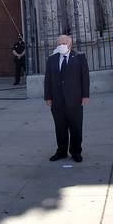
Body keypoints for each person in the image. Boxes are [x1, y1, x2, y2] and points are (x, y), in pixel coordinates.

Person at [44, 34, 90, 162]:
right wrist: (47, 96)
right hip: (57, 100)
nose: (61, 45)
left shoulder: (79, 57)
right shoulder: (52, 59)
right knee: (60, 127)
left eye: (63, 43)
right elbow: (48, 78)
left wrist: (85, 95)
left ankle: (76, 151)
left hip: (74, 99)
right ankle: (61, 151)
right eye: (58, 43)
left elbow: (85, 77)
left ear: (70, 44)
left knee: (76, 127)